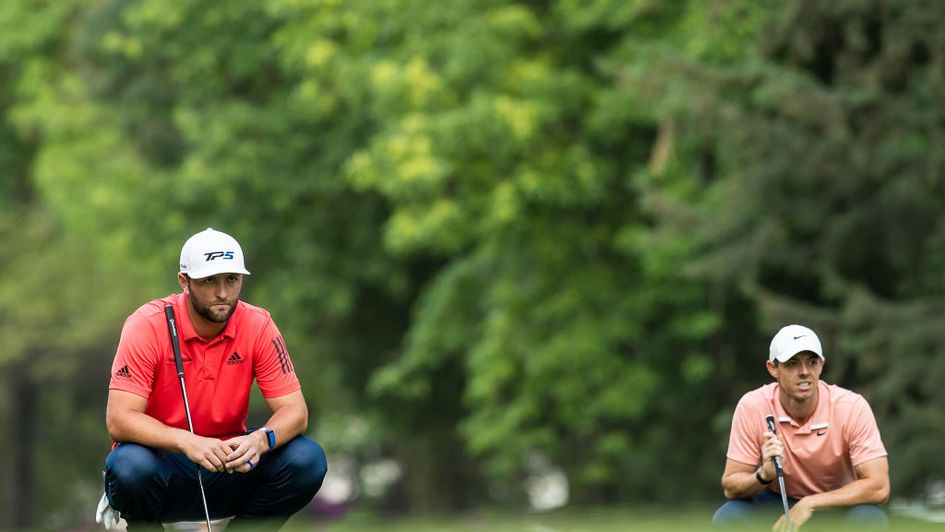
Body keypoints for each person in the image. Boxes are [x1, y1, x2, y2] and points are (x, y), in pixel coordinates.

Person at [98, 228, 327, 528]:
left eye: (231, 279)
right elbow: (119, 420)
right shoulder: (147, 325)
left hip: (229, 462)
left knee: (307, 458)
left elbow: (295, 411)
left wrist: (260, 440)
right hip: (163, 466)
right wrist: (186, 441)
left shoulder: (258, 324)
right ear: (184, 281)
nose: (222, 292)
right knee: (129, 466)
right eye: (209, 281)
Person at [712, 324, 889, 530]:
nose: (804, 372)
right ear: (773, 368)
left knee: (870, 518)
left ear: (821, 365)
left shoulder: (852, 407)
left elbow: (879, 486)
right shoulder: (753, 406)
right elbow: (731, 487)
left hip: (835, 503)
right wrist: (763, 475)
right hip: (775, 501)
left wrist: (810, 502)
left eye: (812, 362)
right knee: (729, 515)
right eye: (792, 364)